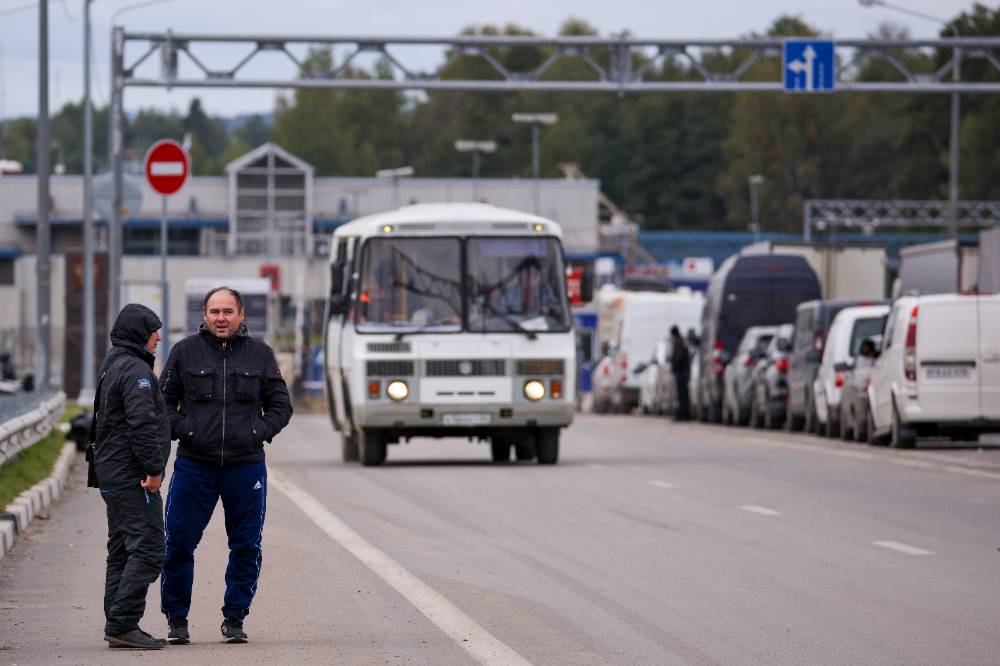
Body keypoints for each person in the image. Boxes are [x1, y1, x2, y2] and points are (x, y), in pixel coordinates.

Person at [159, 287, 292, 644]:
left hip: (245, 466)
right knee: (178, 544)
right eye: (215, 311)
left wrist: (256, 432)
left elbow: (281, 406)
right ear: (204, 315)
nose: (221, 318)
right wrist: (186, 429)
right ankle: (177, 620)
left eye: (228, 311)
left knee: (246, 545)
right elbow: (162, 405)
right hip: (194, 466)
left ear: (241, 315)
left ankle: (235, 618)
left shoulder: (260, 355)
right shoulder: (184, 353)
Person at [89, 303, 170, 650]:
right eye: (153, 330)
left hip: (112, 472)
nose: (158, 337)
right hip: (131, 476)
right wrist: (153, 469)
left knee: (122, 549)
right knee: (150, 548)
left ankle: (118, 622)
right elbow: (141, 424)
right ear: (139, 333)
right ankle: (123, 623)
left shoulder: (114, 364)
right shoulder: (136, 371)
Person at [669, 325, 692, 421]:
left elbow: (679, 358)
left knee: (682, 395)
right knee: (683, 394)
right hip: (683, 372)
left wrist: (674, 367)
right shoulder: (682, 341)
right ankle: (684, 413)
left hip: (681, 372)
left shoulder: (679, 342)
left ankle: (684, 414)